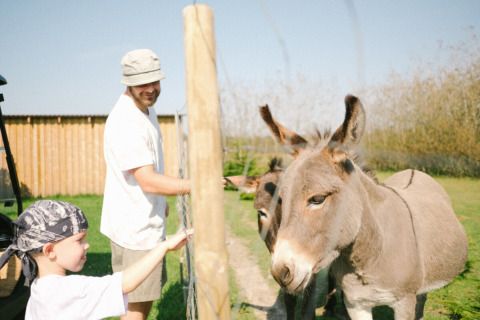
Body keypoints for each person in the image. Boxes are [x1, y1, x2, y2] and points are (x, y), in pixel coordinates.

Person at [101, 48, 224, 319]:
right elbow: (148, 180)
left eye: (155, 81)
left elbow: (147, 172)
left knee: (139, 302)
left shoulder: (145, 109)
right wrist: (202, 185)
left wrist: (162, 202)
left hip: (141, 220)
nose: (152, 89)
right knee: (136, 307)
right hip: (134, 230)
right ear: (128, 83)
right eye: (143, 83)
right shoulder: (127, 121)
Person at [0, 200, 192, 320]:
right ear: (50, 250)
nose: (87, 245)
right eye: (79, 240)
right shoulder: (66, 291)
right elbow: (125, 282)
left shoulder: (38, 287)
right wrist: (164, 246)